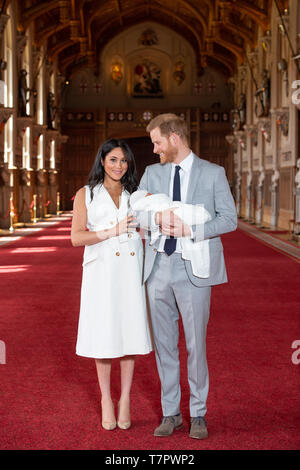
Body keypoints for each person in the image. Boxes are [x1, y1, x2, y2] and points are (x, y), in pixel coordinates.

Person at [138, 113, 237, 439]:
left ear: (174, 138)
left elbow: (229, 220)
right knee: (164, 346)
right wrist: (154, 219)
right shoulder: (152, 174)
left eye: (157, 142)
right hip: (158, 268)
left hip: (194, 270)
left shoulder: (213, 173)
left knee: (196, 346)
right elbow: (138, 213)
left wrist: (190, 229)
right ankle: (171, 413)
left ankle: (198, 414)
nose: (154, 149)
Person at [71, 139, 152, 431]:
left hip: (130, 269)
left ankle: (126, 399)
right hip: (101, 271)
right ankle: (107, 398)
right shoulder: (86, 194)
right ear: (102, 161)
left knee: (129, 332)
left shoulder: (137, 194)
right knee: (104, 334)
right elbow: (77, 238)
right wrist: (111, 231)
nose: (119, 166)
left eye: (124, 161)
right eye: (114, 160)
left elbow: (155, 221)